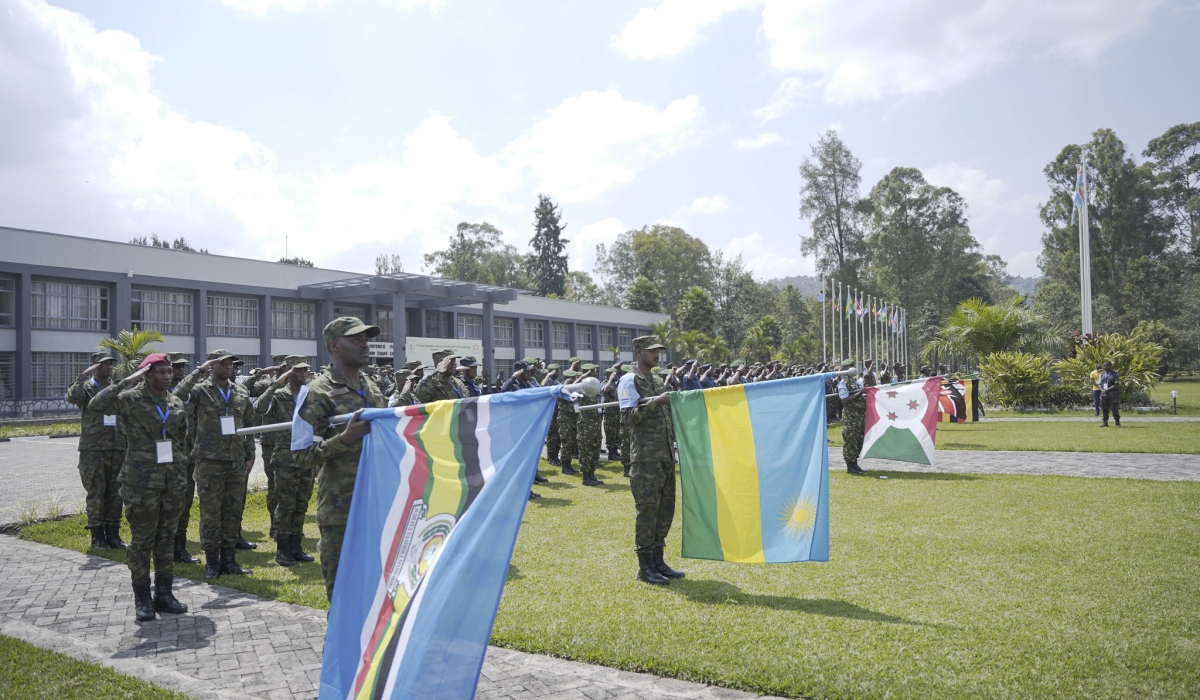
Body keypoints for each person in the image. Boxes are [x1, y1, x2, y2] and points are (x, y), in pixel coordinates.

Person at [90, 353, 190, 622]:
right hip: (141, 482)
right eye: (161, 372)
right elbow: (97, 405)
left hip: (173, 480)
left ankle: (164, 594)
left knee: (166, 539)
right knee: (142, 541)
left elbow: (181, 436)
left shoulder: (175, 401)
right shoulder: (130, 399)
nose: (168, 376)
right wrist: (127, 380)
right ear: (147, 374)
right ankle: (143, 598)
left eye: (169, 372)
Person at [294, 317, 384, 600]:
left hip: (378, 506)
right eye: (355, 339)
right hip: (341, 510)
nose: (364, 344)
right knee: (344, 595)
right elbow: (301, 456)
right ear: (334, 346)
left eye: (365, 339)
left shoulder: (373, 388)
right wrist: (345, 438)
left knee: (376, 594)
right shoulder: (316, 392)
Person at [186, 349, 257, 579]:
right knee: (210, 513)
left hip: (236, 460)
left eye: (231, 364)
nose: (229, 367)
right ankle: (212, 562)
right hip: (209, 461)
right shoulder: (199, 390)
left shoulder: (240, 391)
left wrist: (250, 454)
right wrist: (199, 371)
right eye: (223, 363)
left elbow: (248, 424)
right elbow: (178, 399)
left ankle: (229, 560)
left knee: (232, 512)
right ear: (212, 365)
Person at [619, 336, 684, 586]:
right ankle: (645, 567)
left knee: (664, 511)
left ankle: (658, 561)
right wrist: (656, 403)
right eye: (652, 351)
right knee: (647, 512)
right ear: (638, 352)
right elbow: (627, 418)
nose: (657, 355)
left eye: (659, 351)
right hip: (645, 459)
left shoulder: (657, 380)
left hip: (665, 455)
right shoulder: (629, 380)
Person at [254, 355, 315, 567]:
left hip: (306, 456)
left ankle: (296, 547)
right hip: (285, 459)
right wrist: (276, 384)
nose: (303, 374)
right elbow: (259, 408)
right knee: (286, 505)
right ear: (289, 372)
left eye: (305, 370)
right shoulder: (279, 395)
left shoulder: (310, 394)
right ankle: (282, 549)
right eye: (298, 370)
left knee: (301, 504)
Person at [66, 351, 128, 550]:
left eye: (110, 363)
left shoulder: (116, 387)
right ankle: (97, 536)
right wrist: (82, 376)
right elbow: (72, 397)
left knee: (116, 493)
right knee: (96, 493)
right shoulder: (86, 387)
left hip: (118, 447)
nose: (108, 366)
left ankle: (113, 535)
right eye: (103, 363)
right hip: (94, 449)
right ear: (94, 366)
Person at [575, 364, 604, 486]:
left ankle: (592, 474)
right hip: (586, 422)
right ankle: (586, 477)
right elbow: (570, 389)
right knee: (586, 449)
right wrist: (583, 377)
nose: (597, 374)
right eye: (594, 372)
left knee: (595, 448)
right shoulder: (582, 387)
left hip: (596, 421)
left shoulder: (594, 386)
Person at [838, 358, 868, 476]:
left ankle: (855, 464)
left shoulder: (853, 382)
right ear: (845, 369)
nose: (852, 368)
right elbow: (844, 400)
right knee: (850, 440)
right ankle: (850, 466)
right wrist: (860, 393)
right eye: (849, 367)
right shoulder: (843, 382)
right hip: (851, 415)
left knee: (858, 440)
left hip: (859, 415)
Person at [601, 366, 621, 462]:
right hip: (609, 414)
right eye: (614, 375)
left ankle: (615, 451)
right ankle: (611, 453)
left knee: (616, 432)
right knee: (610, 433)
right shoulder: (605, 384)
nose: (616, 376)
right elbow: (605, 390)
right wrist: (610, 379)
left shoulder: (616, 384)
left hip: (617, 413)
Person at [1099, 361, 1121, 428]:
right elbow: (1099, 383)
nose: (1104, 367)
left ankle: (1117, 423)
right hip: (1104, 394)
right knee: (1104, 409)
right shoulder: (1102, 374)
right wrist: (1102, 390)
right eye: (1104, 366)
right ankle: (1105, 422)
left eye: (1106, 366)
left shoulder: (1115, 374)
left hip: (1112, 394)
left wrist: (1106, 390)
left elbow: (1116, 385)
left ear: (1110, 366)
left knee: (1114, 408)